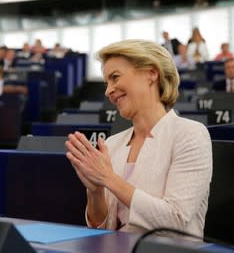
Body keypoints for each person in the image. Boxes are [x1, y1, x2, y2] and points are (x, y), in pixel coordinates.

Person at [65, 39, 212, 237]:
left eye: (115, 78)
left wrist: (109, 178)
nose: (108, 91)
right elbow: (102, 228)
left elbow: (175, 220)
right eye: (107, 82)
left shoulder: (190, 134)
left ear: (151, 73)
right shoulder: (112, 143)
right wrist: (96, 191)